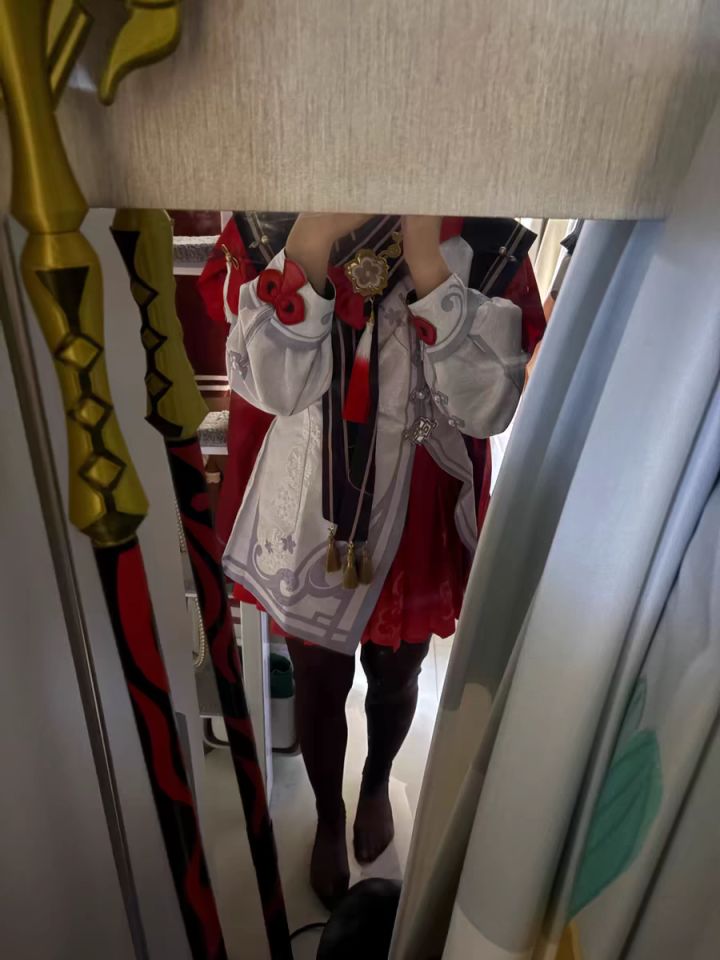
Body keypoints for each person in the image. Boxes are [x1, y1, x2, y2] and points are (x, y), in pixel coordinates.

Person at [217, 212, 534, 907]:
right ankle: (328, 812)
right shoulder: (270, 222)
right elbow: (266, 388)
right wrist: (309, 239)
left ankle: (375, 784)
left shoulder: (484, 234)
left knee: (398, 670)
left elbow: (487, 409)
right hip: (310, 500)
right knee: (317, 675)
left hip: (419, 501)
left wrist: (428, 263)